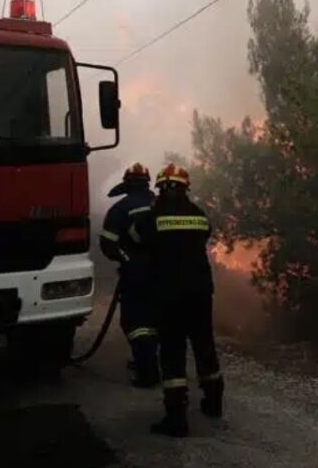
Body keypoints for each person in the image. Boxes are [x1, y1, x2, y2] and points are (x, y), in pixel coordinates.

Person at [129, 163, 223, 438]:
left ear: (159, 189)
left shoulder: (152, 217)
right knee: (204, 344)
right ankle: (214, 403)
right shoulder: (198, 215)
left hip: (169, 295)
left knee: (172, 352)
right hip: (200, 293)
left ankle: (176, 419)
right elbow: (206, 232)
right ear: (185, 189)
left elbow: (134, 239)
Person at [99, 162, 160, 388]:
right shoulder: (159, 204)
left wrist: (127, 260)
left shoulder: (120, 209)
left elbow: (107, 245)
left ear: (127, 184)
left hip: (136, 275)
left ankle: (147, 372)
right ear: (147, 183)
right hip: (164, 272)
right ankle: (147, 361)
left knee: (135, 323)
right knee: (155, 320)